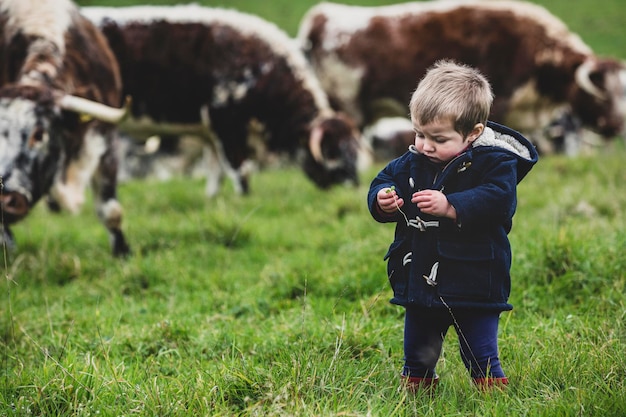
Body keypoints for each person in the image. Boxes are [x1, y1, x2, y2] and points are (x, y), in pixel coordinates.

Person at [367, 60, 538, 390]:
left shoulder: (495, 163)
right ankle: (416, 396)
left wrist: (451, 206)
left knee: (480, 351)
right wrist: (381, 199)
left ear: (473, 133)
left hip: (476, 280)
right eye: (419, 134)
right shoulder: (415, 159)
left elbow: (499, 199)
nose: (425, 145)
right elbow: (384, 178)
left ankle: (492, 399)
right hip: (421, 279)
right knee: (418, 352)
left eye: (438, 138)